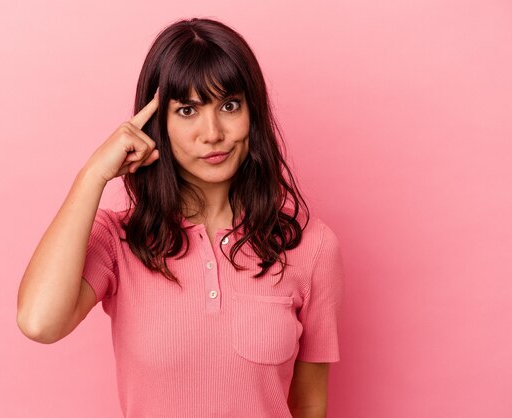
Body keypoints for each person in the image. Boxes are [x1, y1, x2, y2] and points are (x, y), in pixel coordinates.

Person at [17, 17, 345, 418]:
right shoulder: (119, 240)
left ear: (252, 112)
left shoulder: (311, 247)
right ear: (160, 124)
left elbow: (310, 405)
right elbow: (39, 323)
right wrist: (92, 176)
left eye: (229, 105)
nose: (212, 133)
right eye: (188, 109)